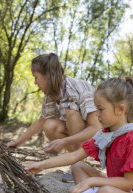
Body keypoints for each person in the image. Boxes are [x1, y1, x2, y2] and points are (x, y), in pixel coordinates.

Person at [25, 77, 133, 193]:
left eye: (100, 109)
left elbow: (128, 184)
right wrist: (42, 165)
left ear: (120, 109)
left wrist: (92, 182)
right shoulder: (105, 135)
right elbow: (73, 156)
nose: (96, 114)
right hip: (118, 186)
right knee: (77, 166)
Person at [6, 53, 100, 182]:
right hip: (84, 140)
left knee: (71, 111)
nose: (35, 82)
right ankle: (77, 160)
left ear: (48, 76)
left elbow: (96, 128)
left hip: (100, 138)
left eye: (36, 77)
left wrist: (64, 142)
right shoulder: (52, 94)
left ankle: (79, 163)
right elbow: (41, 122)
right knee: (50, 125)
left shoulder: (76, 87)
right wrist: (18, 142)